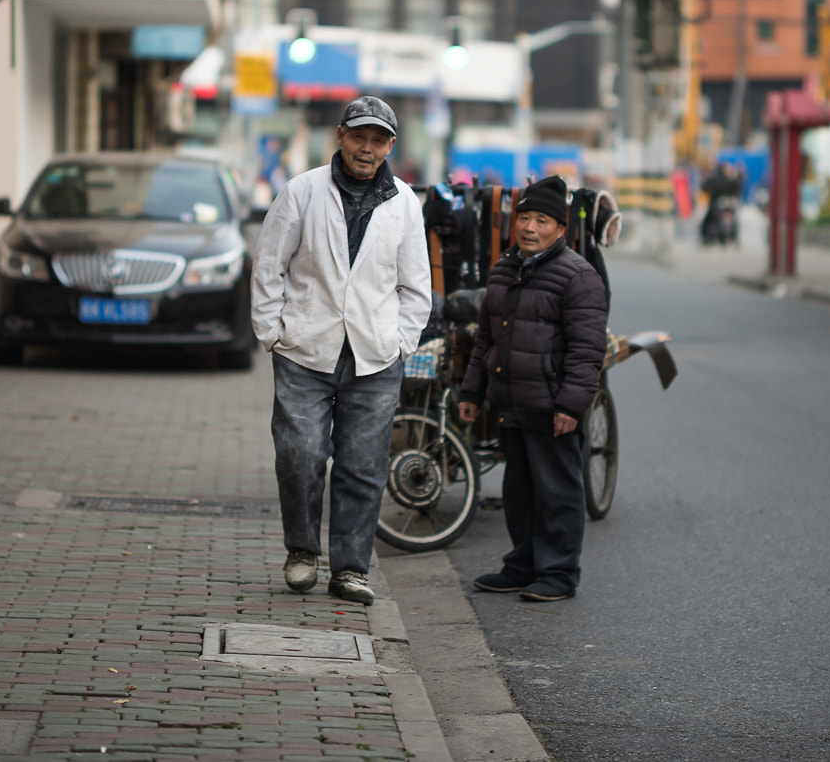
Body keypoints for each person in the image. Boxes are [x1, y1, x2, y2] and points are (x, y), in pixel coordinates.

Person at [250, 96, 432, 606]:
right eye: (359, 137)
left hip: (375, 355)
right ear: (341, 136)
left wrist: (401, 343)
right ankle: (302, 552)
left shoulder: (404, 203)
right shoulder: (302, 192)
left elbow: (417, 287)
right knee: (300, 453)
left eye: (377, 140)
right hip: (304, 349)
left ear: (390, 145)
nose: (366, 148)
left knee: (362, 465)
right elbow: (269, 267)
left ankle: (351, 569)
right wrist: (273, 333)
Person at [457, 176, 608, 602]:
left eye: (542, 220)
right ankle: (523, 564)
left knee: (557, 492)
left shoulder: (579, 277)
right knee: (519, 492)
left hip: (552, 405)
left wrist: (571, 405)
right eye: (524, 217)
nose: (529, 227)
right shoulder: (504, 269)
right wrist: (472, 393)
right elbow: (484, 340)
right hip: (512, 401)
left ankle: (559, 573)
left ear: (561, 230)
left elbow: (586, 350)